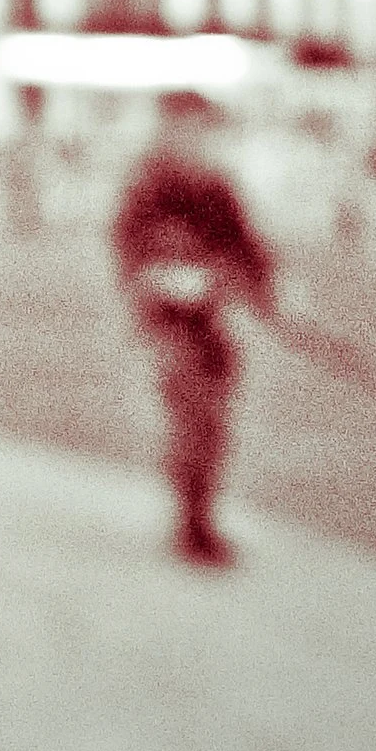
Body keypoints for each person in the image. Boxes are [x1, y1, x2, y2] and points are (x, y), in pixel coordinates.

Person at [111, 90, 275, 567]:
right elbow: (133, 253)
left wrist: (257, 290)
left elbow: (248, 248)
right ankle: (193, 523)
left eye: (201, 128)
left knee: (214, 421)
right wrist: (163, 282)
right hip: (170, 325)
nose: (194, 137)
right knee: (195, 419)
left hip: (209, 322)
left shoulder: (214, 188)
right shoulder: (149, 187)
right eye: (186, 127)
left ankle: (198, 514)